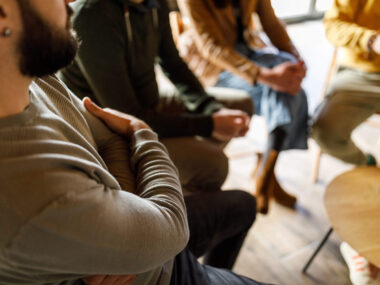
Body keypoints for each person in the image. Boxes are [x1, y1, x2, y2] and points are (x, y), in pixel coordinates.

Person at [0, 0, 269, 284]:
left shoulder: (35, 78)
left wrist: (134, 229)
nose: (69, 2)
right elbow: (174, 228)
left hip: (159, 246)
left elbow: (110, 135)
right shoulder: (38, 195)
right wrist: (142, 131)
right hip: (164, 269)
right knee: (215, 170)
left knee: (243, 205)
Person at [58, 0, 253, 196]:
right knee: (216, 163)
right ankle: (162, 194)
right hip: (112, 133)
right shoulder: (91, 14)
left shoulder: (154, 3)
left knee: (240, 105)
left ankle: (177, 178)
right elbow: (128, 115)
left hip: (148, 103)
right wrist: (209, 124)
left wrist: (211, 109)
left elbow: (173, 64)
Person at [176, 0, 309, 214]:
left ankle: (265, 173)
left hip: (248, 50)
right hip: (213, 65)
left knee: (290, 82)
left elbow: (272, 25)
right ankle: (266, 176)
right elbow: (211, 47)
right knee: (286, 91)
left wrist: (296, 59)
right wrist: (264, 76)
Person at [311, 0, 380, 167]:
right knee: (324, 132)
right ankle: (366, 164)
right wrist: (371, 40)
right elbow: (333, 26)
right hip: (364, 72)